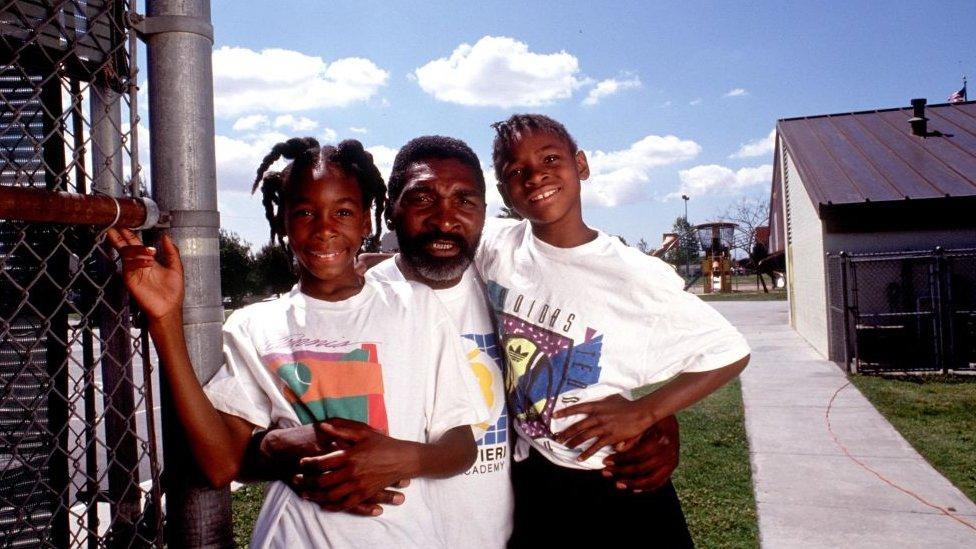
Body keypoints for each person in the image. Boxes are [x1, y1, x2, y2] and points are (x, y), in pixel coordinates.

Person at [265, 135, 684, 547]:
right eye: (422, 199)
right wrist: (276, 447)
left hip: (503, 530)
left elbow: (597, 365)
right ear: (389, 211)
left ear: (485, 214)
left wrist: (658, 419)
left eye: (464, 201)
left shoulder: (512, 286)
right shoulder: (356, 302)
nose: (445, 220)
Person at [107, 137, 487, 548]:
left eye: (342, 212)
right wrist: (165, 321)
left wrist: (400, 456)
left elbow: (460, 446)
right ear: (283, 223)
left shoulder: (419, 307)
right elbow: (219, 465)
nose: (324, 229)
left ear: (366, 222)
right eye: (305, 212)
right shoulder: (256, 325)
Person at [481, 114, 752, 547]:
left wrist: (647, 413)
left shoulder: (632, 274)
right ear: (504, 193)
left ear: (581, 165)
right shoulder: (497, 245)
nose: (535, 176)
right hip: (535, 475)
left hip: (610, 479)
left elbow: (728, 350)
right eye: (516, 171)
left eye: (551, 158)